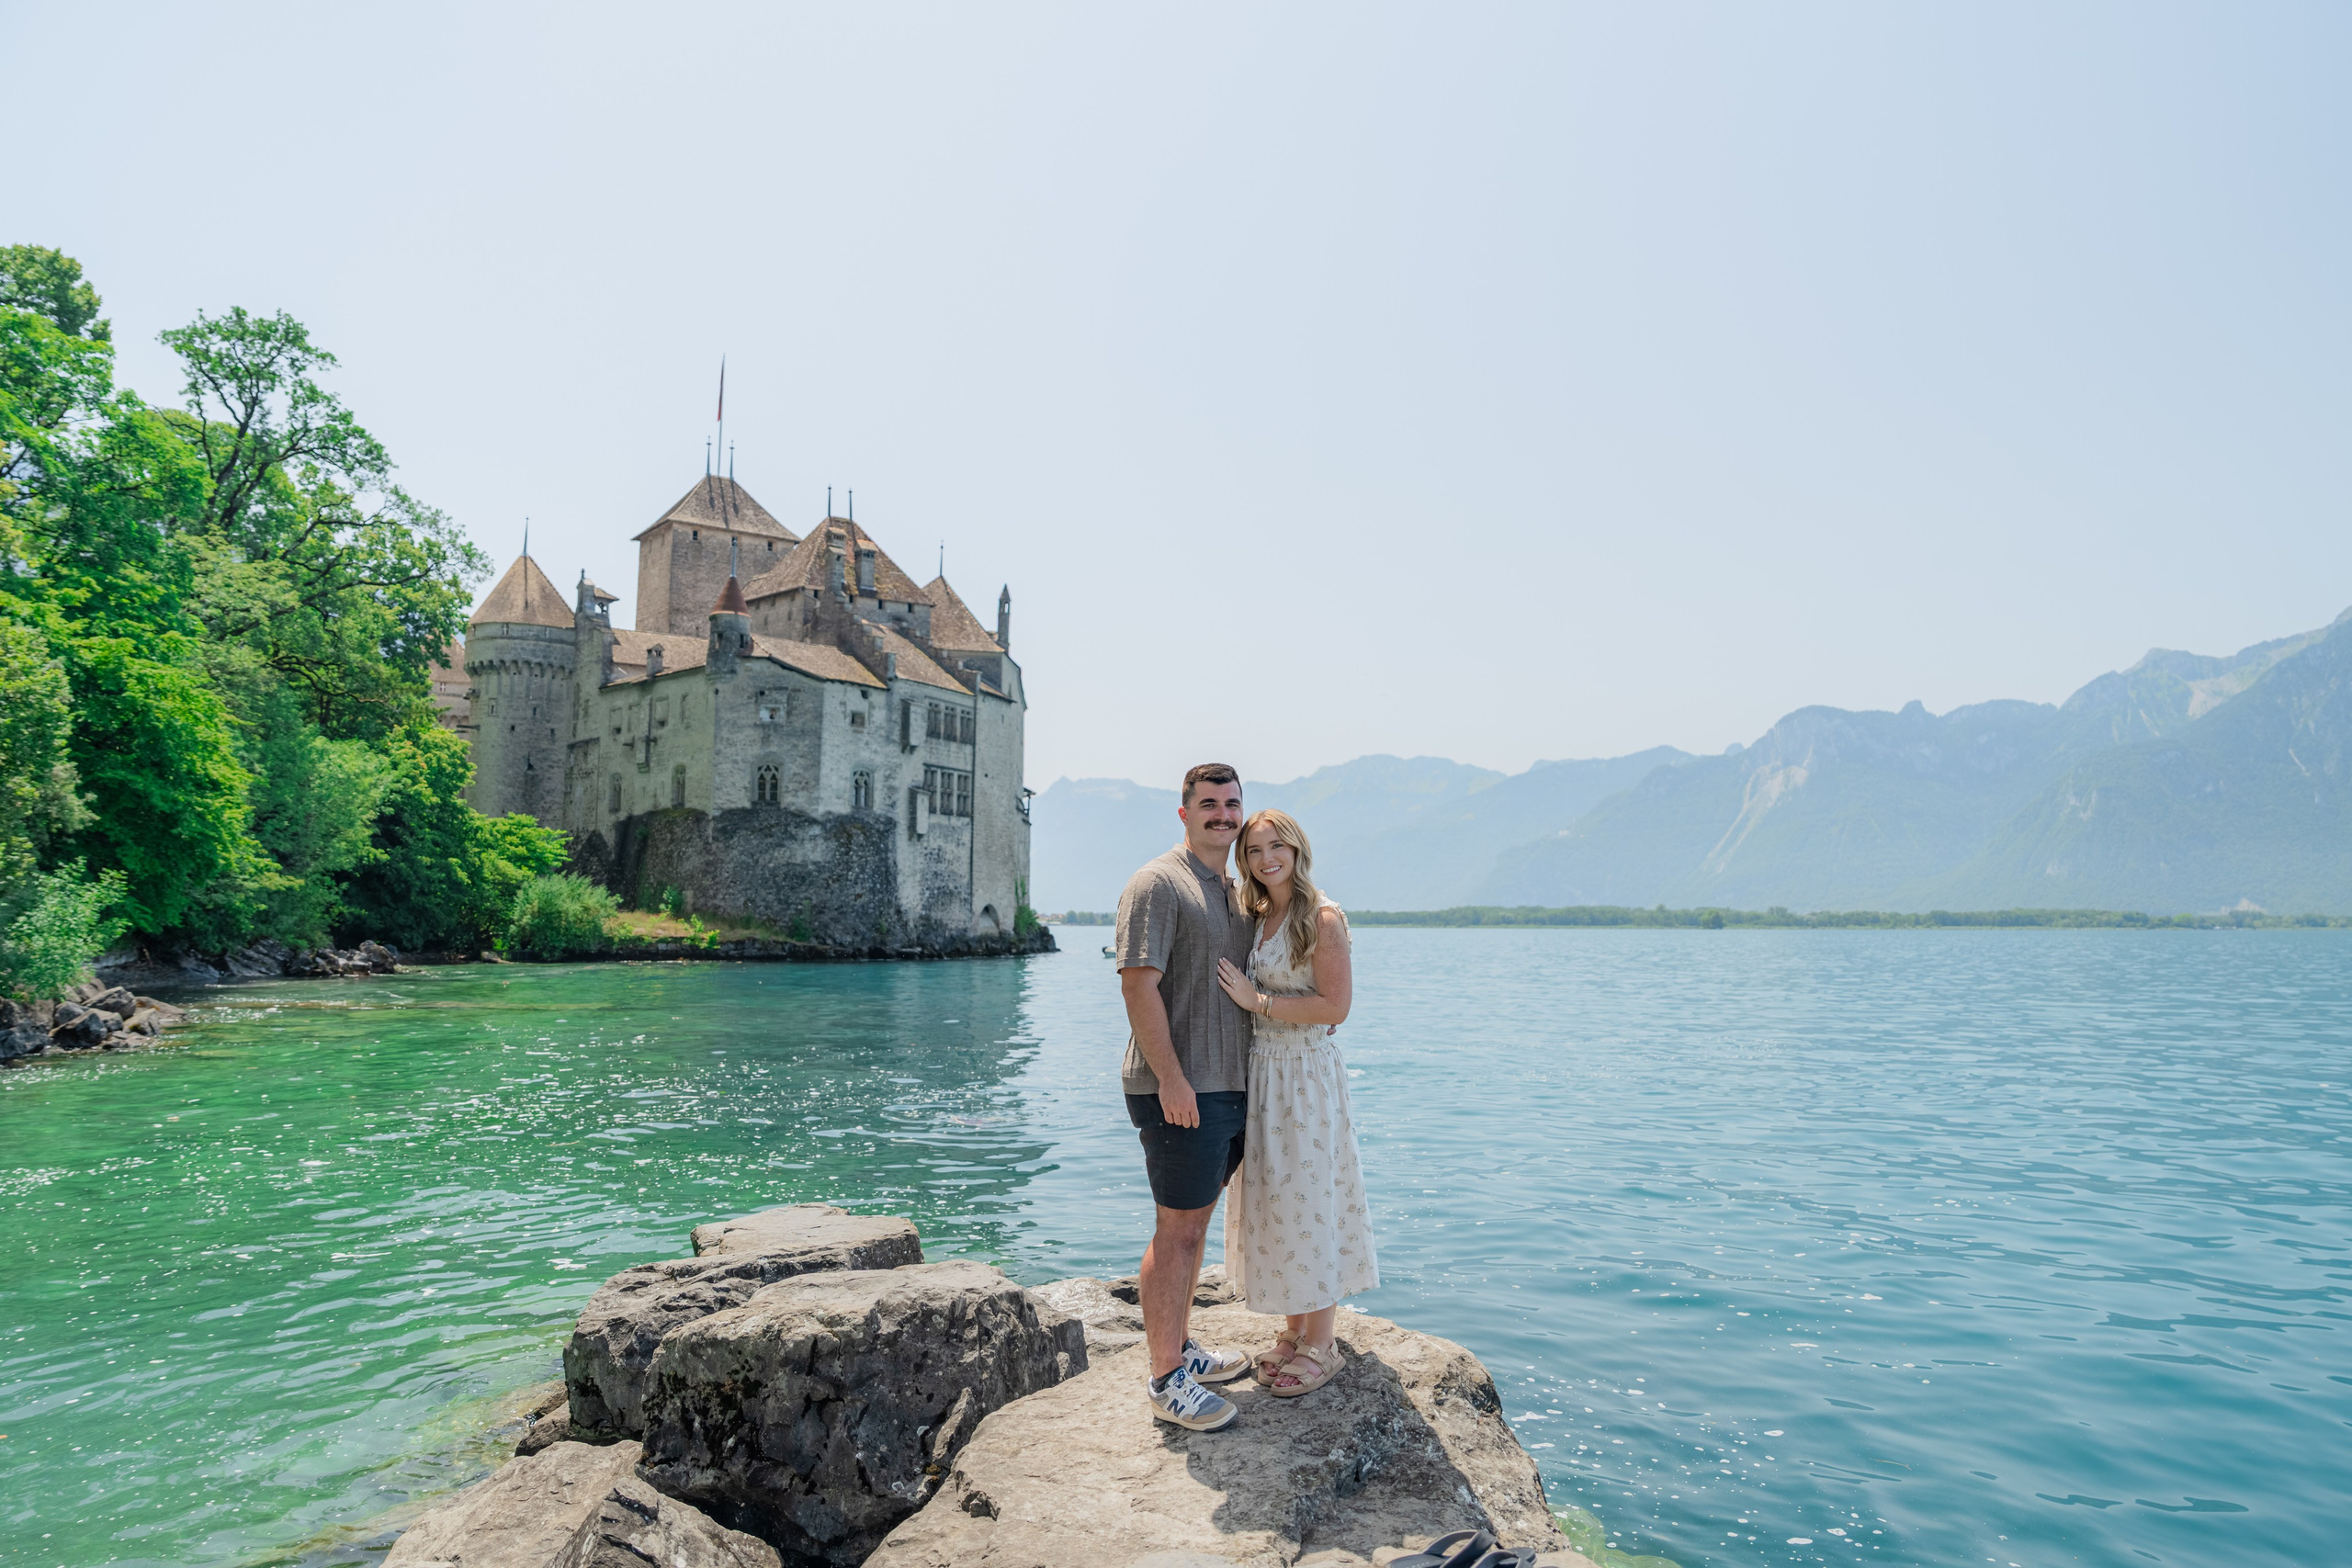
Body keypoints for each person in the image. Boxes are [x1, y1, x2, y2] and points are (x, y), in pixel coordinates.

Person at [1216, 807, 1377, 1397]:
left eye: (1276, 847)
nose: (1267, 859)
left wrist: (1257, 1002)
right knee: (1275, 1200)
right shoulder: (1257, 915)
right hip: (1262, 1073)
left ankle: (1323, 1342)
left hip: (1305, 1075)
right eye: (1255, 851)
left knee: (1311, 1199)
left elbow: (1336, 1007)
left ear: (1297, 849)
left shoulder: (1321, 917)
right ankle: (1293, 1329)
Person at [1115, 762, 1258, 1431]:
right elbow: (1137, 984)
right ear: (1184, 813)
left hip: (1226, 1085)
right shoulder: (1158, 882)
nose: (1223, 815)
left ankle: (1181, 1348)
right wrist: (1171, 1078)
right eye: (1209, 804)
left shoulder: (1232, 889)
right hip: (1179, 1088)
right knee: (1176, 1231)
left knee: (1193, 1225)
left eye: (1232, 804)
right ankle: (1165, 1378)